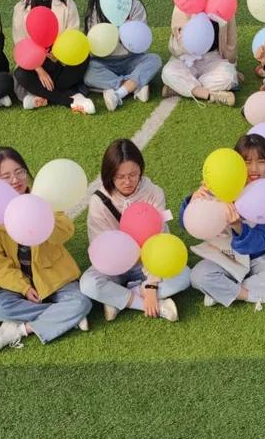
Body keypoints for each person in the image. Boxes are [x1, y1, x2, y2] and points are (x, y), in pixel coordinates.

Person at [0, 146, 91, 351]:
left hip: (55, 279)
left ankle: (22, 329)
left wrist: (42, 216)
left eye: (19, 172)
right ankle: (65, 316)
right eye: (6, 176)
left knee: (81, 302)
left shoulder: (44, 198)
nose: (15, 180)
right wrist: (23, 287)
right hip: (18, 286)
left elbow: (65, 232)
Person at [182, 133, 265, 309]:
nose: (254, 169)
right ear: (236, 164)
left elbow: (262, 241)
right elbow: (188, 225)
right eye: (247, 162)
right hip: (223, 258)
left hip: (258, 259)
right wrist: (193, 203)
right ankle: (253, 295)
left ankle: (222, 291)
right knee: (198, 275)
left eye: (261, 161)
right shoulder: (218, 184)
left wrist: (238, 226)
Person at [79, 138, 190, 322]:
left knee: (184, 276)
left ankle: (118, 298)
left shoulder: (154, 193)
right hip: (115, 265)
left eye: (133, 174)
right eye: (120, 177)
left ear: (141, 170)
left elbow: (159, 240)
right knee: (88, 284)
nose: (127, 182)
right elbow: (99, 247)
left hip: (148, 261)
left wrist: (151, 285)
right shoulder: (99, 201)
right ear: (109, 175)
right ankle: (153, 306)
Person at [11, 0, 95, 114]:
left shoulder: (67, 4)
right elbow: (20, 44)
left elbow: (72, 38)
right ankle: (68, 99)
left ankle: (41, 96)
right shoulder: (21, 8)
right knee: (20, 74)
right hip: (35, 67)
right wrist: (39, 69)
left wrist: (57, 55)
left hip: (60, 64)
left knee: (84, 58)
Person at [82, 0, 162, 111]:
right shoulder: (95, 8)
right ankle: (133, 86)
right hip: (104, 62)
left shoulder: (135, 5)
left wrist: (128, 31)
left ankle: (117, 91)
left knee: (154, 60)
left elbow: (142, 44)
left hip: (132, 59)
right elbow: (93, 47)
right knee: (87, 71)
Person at [161, 0, 238, 105]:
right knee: (168, 72)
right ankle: (209, 95)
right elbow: (176, 46)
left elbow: (231, 41)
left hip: (213, 58)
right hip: (187, 58)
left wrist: (232, 64)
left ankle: (181, 88)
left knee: (229, 76)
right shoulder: (184, 2)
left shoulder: (223, 2)